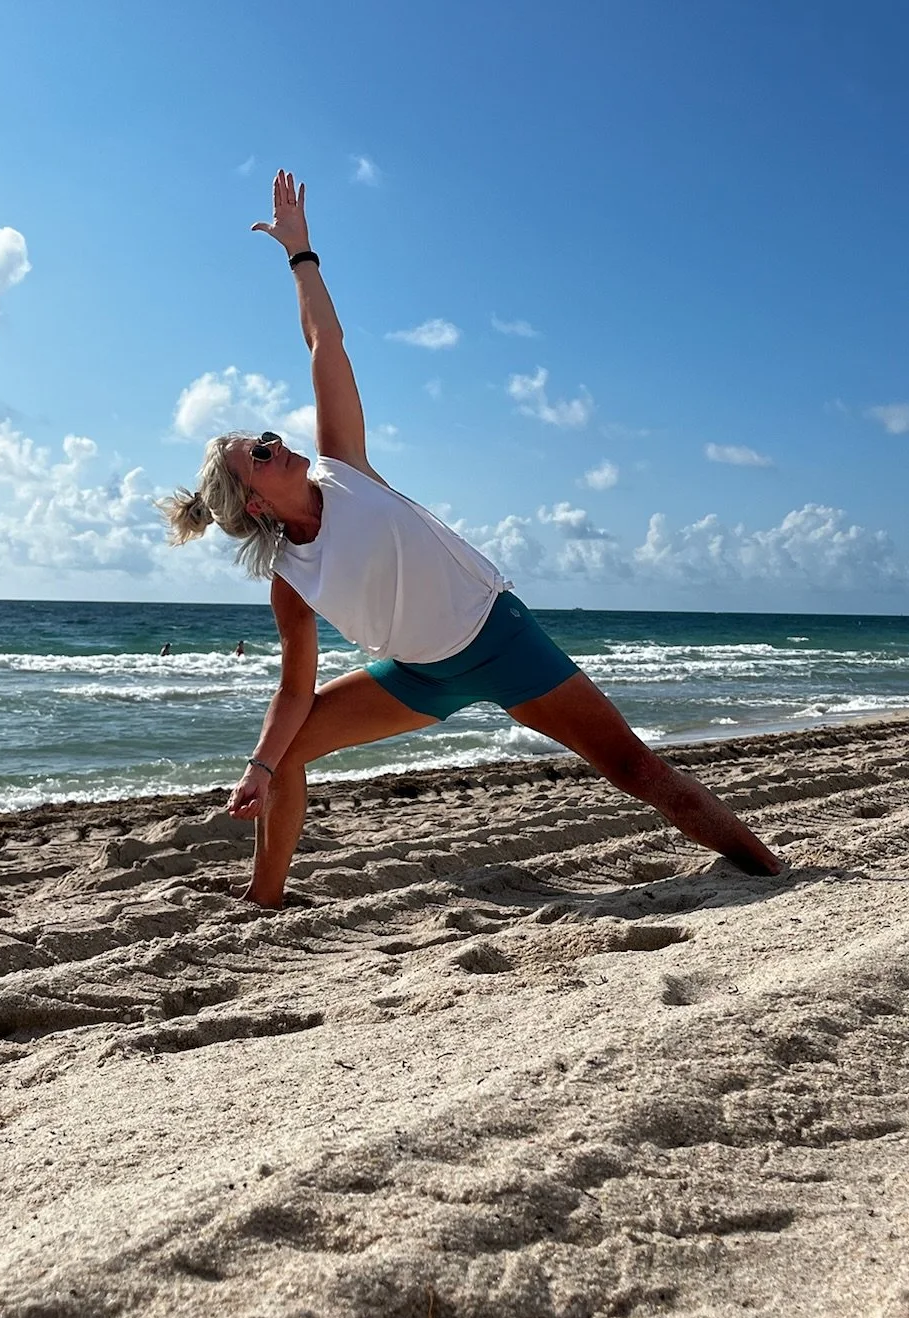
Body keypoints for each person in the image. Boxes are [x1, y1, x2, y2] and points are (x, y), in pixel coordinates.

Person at [161, 172, 782, 907]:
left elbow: (325, 341)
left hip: (500, 639)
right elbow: (295, 691)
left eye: (266, 436)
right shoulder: (291, 578)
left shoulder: (343, 467)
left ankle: (772, 874)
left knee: (635, 770)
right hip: (419, 677)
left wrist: (300, 253)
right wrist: (259, 767)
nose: (276, 443)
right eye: (259, 455)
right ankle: (264, 899)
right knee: (287, 752)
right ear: (255, 503)